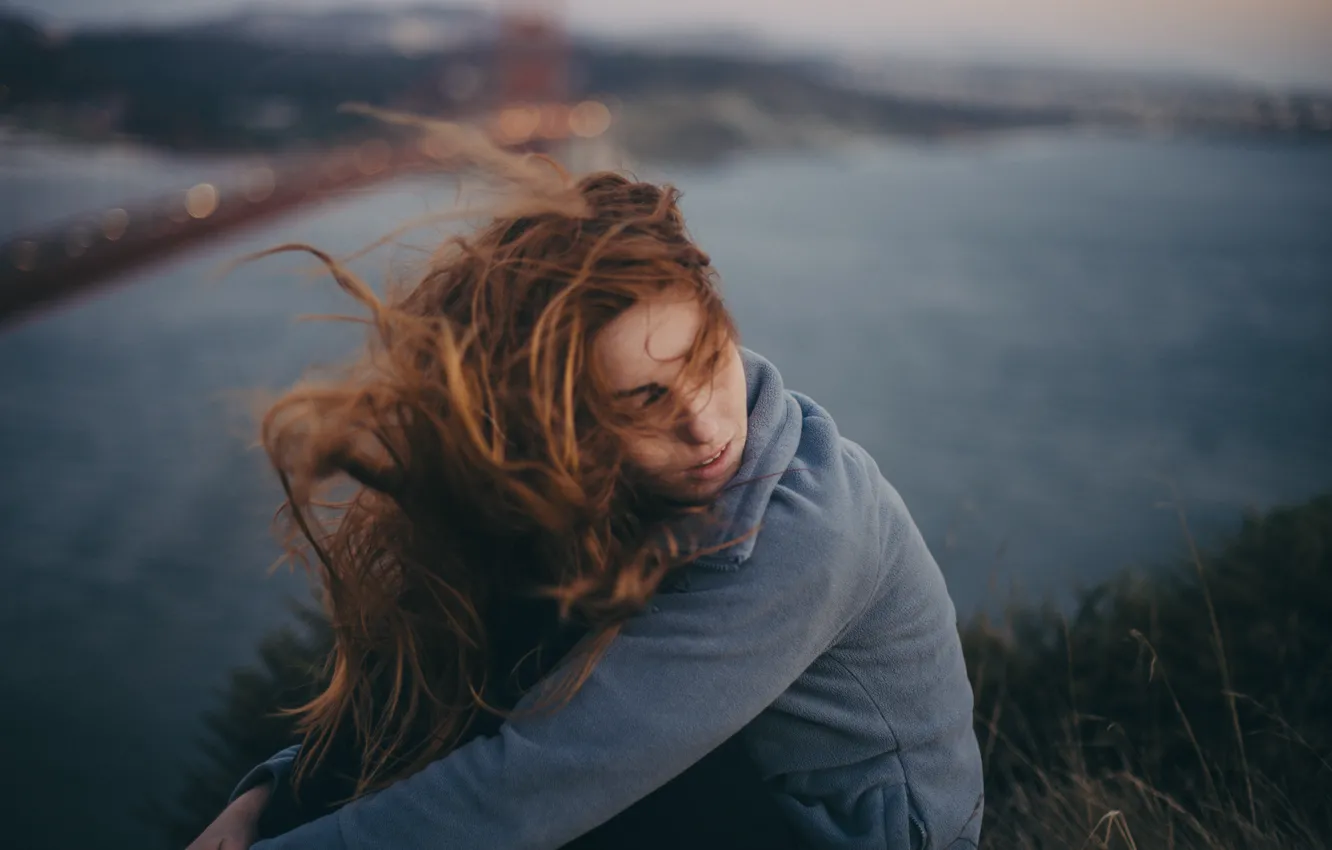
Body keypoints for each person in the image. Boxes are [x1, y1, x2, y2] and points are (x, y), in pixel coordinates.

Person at [186, 143, 984, 850]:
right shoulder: (607, 472)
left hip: (844, 833)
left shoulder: (807, 535)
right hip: (733, 778)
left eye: (708, 362)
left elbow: (539, 784)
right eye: (643, 400)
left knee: (558, 747)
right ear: (566, 416)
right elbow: (452, 674)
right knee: (499, 594)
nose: (705, 426)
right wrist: (275, 793)